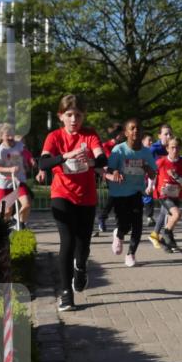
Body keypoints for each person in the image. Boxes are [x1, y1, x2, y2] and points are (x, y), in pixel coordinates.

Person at [38, 94, 106, 312]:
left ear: (83, 116)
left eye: (78, 115)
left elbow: (102, 158)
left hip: (86, 197)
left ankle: (81, 267)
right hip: (62, 195)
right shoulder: (54, 137)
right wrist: (65, 156)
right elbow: (43, 163)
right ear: (61, 116)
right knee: (67, 242)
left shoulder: (90, 135)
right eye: (69, 115)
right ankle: (66, 293)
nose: (74, 119)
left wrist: (91, 161)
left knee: (83, 245)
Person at [105, 119, 158, 268]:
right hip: (119, 192)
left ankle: (131, 254)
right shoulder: (119, 150)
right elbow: (109, 169)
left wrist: (148, 169)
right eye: (132, 128)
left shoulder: (146, 152)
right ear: (126, 133)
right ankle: (119, 234)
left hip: (136, 191)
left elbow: (153, 174)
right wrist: (115, 171)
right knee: (125, 224)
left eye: (138, 128)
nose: (136, 131)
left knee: (137, 224)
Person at [0, 122, 32, 227]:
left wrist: (28, 162)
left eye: (12, 134)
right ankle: (3, 229)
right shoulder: (0, 151)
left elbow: (25, 154)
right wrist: (9, 169)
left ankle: (19, 223)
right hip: (4, 184)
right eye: (7, 135)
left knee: (27, 204)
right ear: (1, 136)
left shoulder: (19, 145)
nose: (10, 137)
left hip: (18, 181)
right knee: (7, 211)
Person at [155, 136, 182, 252]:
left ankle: (163, 241)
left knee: (171, 219)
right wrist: (150, 187)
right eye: (172, 147)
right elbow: (152, 174)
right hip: (164, 195)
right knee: (177, 214)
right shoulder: (161, 161)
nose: (175, 150)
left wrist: (176, 176)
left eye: (177, 148)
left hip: (176, 195)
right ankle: (166, 234)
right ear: (167, 148)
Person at [95, 121, 123, 235]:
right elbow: (107, 161)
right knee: (114, 196)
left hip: (121, 173)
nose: (122, 136)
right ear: (116, 134)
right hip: (110, 173)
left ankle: (117, 221)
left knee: (119, 197)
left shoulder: (122, 146)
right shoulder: (106, 145)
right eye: (121, 134)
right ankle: (103, 217)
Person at [145, 123, 172, 233]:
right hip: (157, 182)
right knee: (170, 209)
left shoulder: (172, 147)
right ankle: (165, 234)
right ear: (159, 136)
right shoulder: (154, 149)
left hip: (169, 183)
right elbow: (149, 168)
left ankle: (158, 233)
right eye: (166, 134)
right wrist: (150, 185)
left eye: (170, 134)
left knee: (166, 210)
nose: (169, 136)